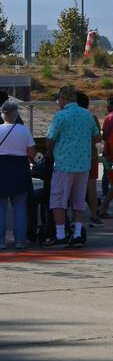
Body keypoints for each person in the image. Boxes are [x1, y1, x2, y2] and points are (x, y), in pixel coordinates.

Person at [44, 84, 101, 247]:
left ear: (63, 99)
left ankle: (60, 235)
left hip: (64, 164)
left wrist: (52, 150)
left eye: (58, 99)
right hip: (83, 164)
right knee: (78, 201)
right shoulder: (87, 115)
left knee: (58, 200)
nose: (57, 102)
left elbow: (49, 141)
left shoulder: (60, 116)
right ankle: (77, 234)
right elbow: (97, 137)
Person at [0, 98, 35, 251]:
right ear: (16, 114)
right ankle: (20, 240)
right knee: (20, 207)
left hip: (1, 169)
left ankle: (1, 241)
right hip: (20, 168)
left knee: (0, 208)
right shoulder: (24, 130)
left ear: (2, 114)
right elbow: (31, 152)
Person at [76, 92, 103, 227]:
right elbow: (98, 137)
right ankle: (94, 214)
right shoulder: (91, 117)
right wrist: (88, 143)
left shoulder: (69, 117)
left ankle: (74, 218)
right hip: (91, 155)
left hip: (74, 157)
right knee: (91, 187)